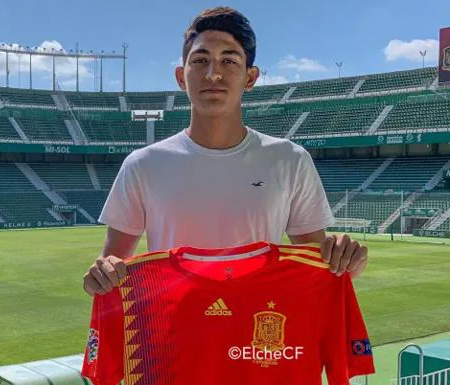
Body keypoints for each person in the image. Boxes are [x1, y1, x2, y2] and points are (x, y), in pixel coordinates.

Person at [83, 6, 368, 296]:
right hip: (173, 336)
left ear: (250, 77)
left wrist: (344, 260)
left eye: (229, 60)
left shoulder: (289, 160)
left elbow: (314, 264)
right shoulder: (143, 165)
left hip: (258, 334)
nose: (213, 74)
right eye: (201, 60)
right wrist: (101, 275)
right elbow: (112, 264)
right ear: (181, 77)